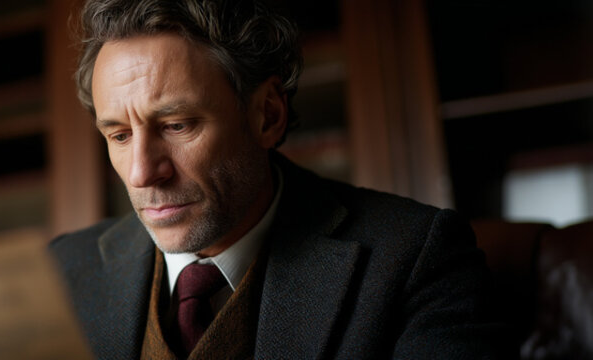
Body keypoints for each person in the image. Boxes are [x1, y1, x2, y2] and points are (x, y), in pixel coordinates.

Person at [48, 0, 504, 358]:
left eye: (177, 125)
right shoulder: (60, 272)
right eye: (120, 135)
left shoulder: (416, 257)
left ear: (267, 115)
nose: (142, 171)